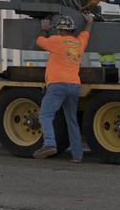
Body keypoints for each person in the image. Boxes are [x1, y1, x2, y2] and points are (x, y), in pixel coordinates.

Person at [33, 13, 91, 161]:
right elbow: (86, 32)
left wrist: (44, 29)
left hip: (57, 85)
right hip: (74, 85)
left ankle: (50, 144)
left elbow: (39, 41)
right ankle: (77, 156)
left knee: (45, 115)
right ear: (72, 30)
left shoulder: (56, 41)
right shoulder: (79, 43)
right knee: (72, 120)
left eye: (59, 30)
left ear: (62, 31)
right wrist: (89, 21)